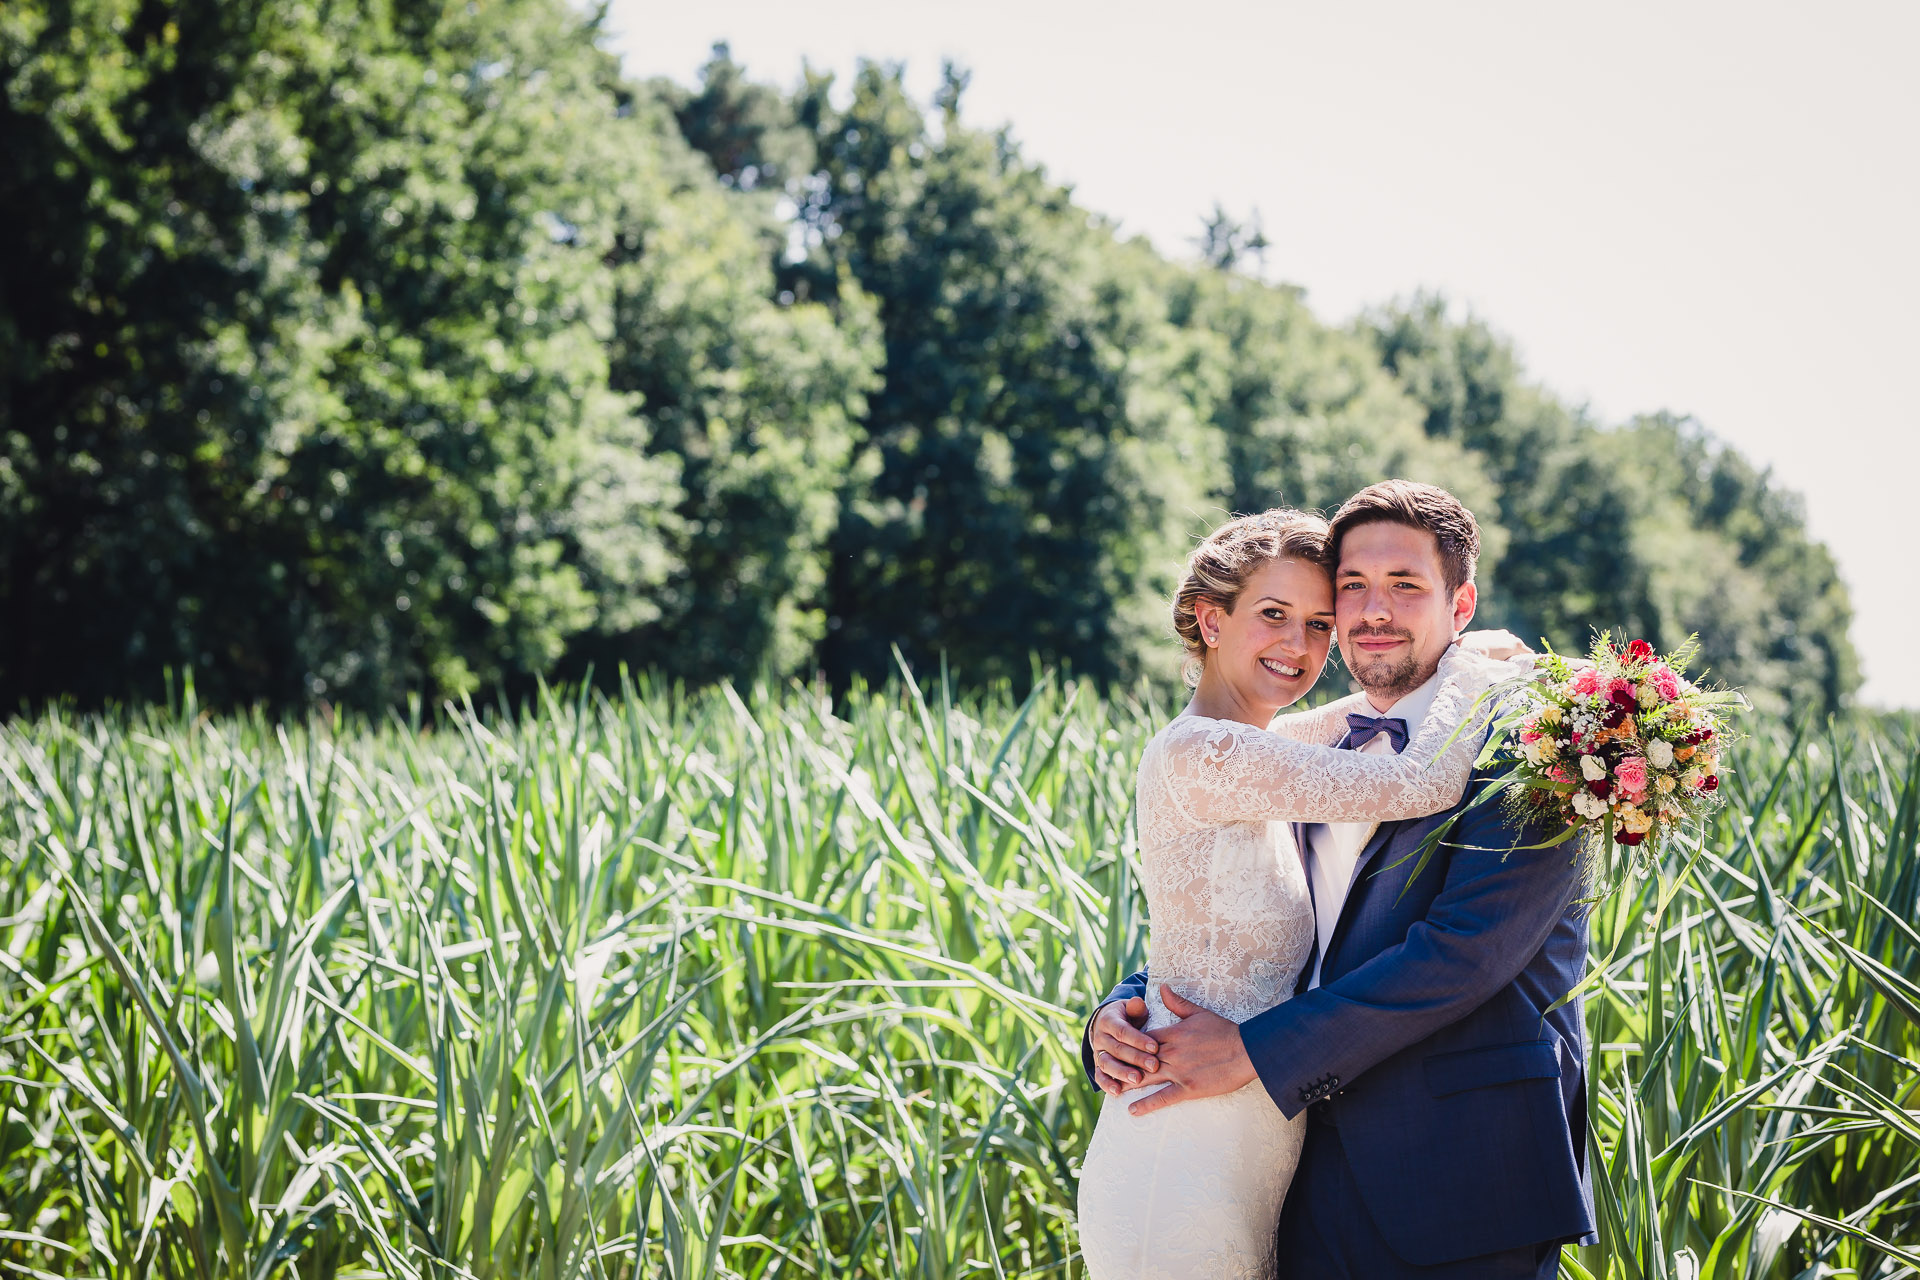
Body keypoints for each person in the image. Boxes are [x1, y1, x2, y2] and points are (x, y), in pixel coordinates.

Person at [1083, 480, 1594, 1279]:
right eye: (1351, 588)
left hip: (1458, 1183)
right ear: (1212, 622)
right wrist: (1125, 1014)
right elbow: (1232, 924)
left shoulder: (1531, 737)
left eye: (1403, 586)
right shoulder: (1277, 755)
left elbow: (1464, 952)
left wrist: (1254, 1052)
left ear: (1460, 607)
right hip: (1282, 1171)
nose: (1369, 612)